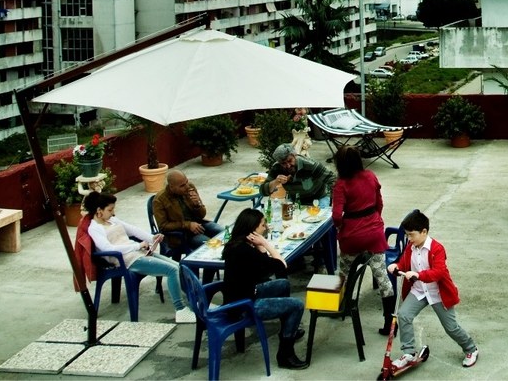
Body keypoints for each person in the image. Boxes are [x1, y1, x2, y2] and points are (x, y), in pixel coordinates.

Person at [387, 209, 478, 370]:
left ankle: (471, 349)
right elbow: (404, 263)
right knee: (404, 315)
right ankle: (408, 352)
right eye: (407, 235)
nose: (409, 238)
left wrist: (418, 274)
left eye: (411, 235)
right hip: (419, 291)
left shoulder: (437, 249)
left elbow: (439, 272)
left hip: (438, 293)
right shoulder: (411, 246)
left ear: (424, 232)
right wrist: (396, 266)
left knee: (451, 327)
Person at [82, 191, 193, 323]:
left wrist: (152, 238)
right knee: (172, 270)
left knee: (179, 267)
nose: (113, 213)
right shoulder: (95, 228)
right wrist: (137, 246)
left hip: (138, 253)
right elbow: (107, 248)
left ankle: (195, 302)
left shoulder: (112, 220)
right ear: (99, 210)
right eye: (110, 210)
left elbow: (133, 230)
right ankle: (180, 310)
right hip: (127, 260)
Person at [222, 207, 309, 370]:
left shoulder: (238, 245)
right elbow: (281, 266)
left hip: (244, 294)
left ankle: (287, 329)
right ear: (252, 229)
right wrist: (266, 244)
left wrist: (260, 246)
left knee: (284, 284)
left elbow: (266, 265)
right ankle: (285, 353)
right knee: (296, 305)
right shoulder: (245, 252)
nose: (266, 227)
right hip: (244, 306)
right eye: (263, 224)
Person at [330, 145, 395, 335]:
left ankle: (342, 306)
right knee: (383, 279)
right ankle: (390, 322)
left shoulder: (341, 184)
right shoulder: (371, 176)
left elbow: (336, 215)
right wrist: (375, 221)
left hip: (351, 237)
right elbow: (379, 203)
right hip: (374, 235)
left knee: (344, 273)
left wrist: (340, 227)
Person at [153, 169, 223, 253]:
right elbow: (163, 226)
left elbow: (202, 215)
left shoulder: (190, 187)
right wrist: (187, 225)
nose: (187, 186)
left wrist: (197, 204)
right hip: (181, 234)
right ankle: (208, 264)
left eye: (187, 182)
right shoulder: (159, 200)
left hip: (198, 224)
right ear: (171, 187)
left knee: (225, 234)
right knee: (210, 244)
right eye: (182, 185)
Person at [260, 143, 332, 205]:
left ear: (295, 155)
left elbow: (332, 179)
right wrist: (275, 182)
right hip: (295, 201)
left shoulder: (310, 165)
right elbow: (262, 191)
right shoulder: (277, 168)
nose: (288, 165)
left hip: (318, 199)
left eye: (290, 161)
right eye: (283, 163)